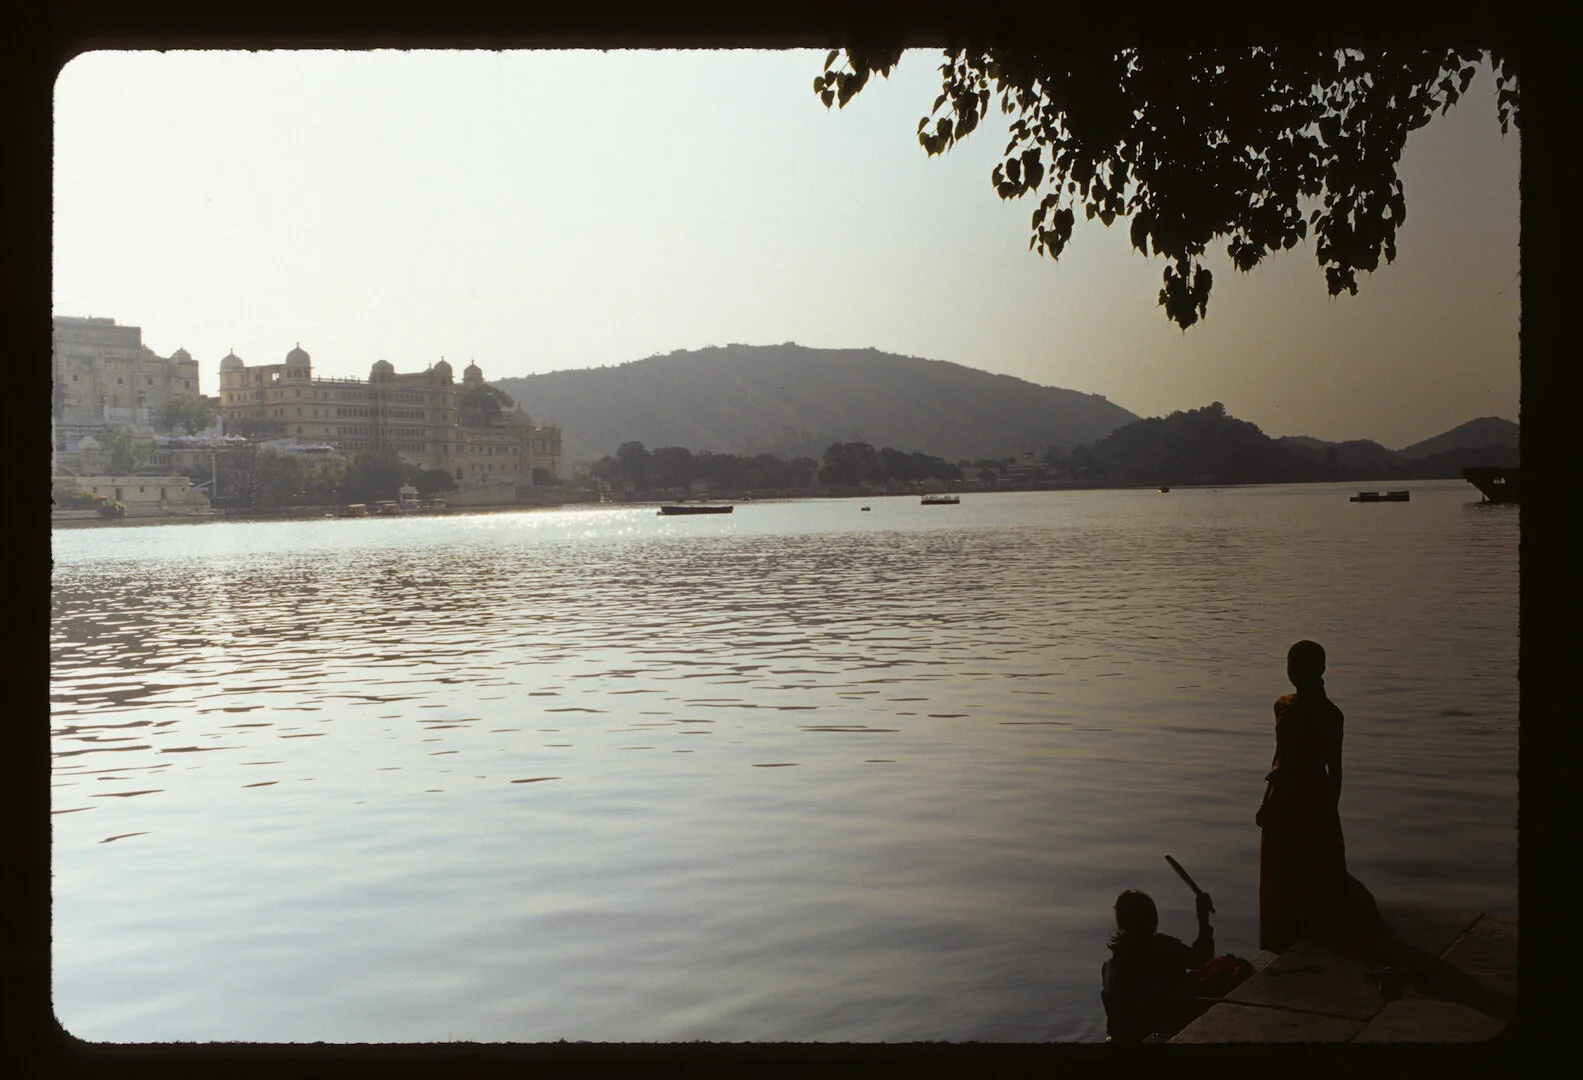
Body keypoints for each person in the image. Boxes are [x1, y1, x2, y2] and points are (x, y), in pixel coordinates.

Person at [1257, 640, 1381, 952]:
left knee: (1316, 869)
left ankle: (1317, 933)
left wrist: (1330, 811)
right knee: (1280, 872)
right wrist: (1265, 802)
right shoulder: (1282, 706)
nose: (1293, 670)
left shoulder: (1331, 715)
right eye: (1291, 664)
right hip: (1282, 798)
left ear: (1318, 670)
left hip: (1312, 797)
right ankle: (1283, 941)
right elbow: (1278, 757)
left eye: (1300, 665)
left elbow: (1334, 769)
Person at [1100, 889, 1216, 1042]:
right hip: (1162, 1030)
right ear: (1153, 920)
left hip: (1125, 1036)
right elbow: (1200, 958)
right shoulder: (1166, 948)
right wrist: (1203, 917)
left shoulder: (1109, 966)